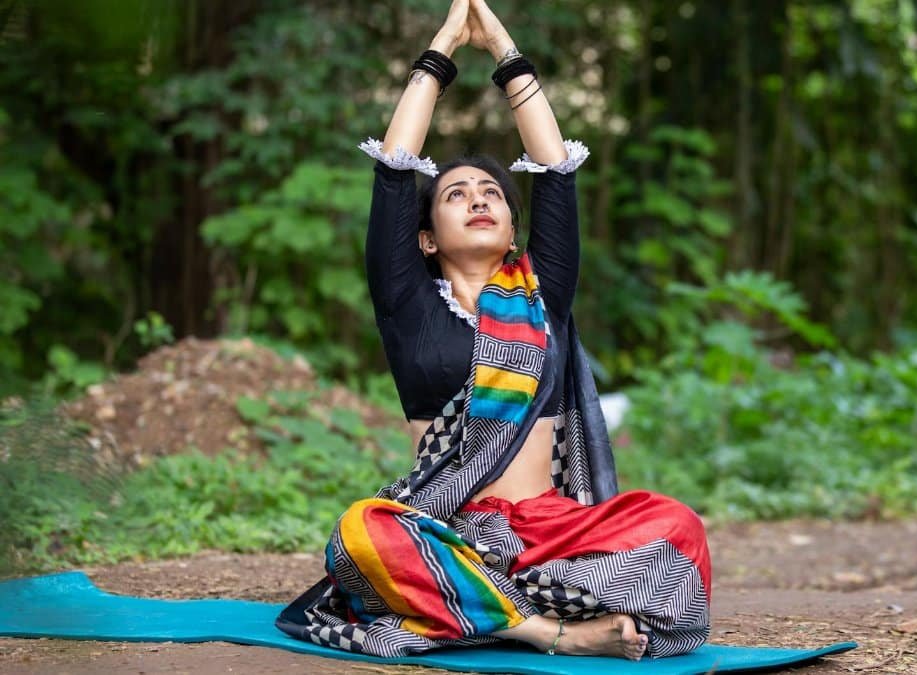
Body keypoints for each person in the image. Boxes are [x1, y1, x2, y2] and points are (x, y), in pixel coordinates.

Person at [277, 0, 710, 661]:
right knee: (361, 531)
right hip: (447, 533)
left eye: (493, 194)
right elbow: (395, 170)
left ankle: (486, 607)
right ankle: (545, 628)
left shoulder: (543, 298)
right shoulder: (408, 305)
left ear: (513, 226)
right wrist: (444, 45)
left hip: (548, 535)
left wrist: (507, 53)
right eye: (456, 193)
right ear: (424, 239)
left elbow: (557, 171)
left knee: (676, 527)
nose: (480, 198)